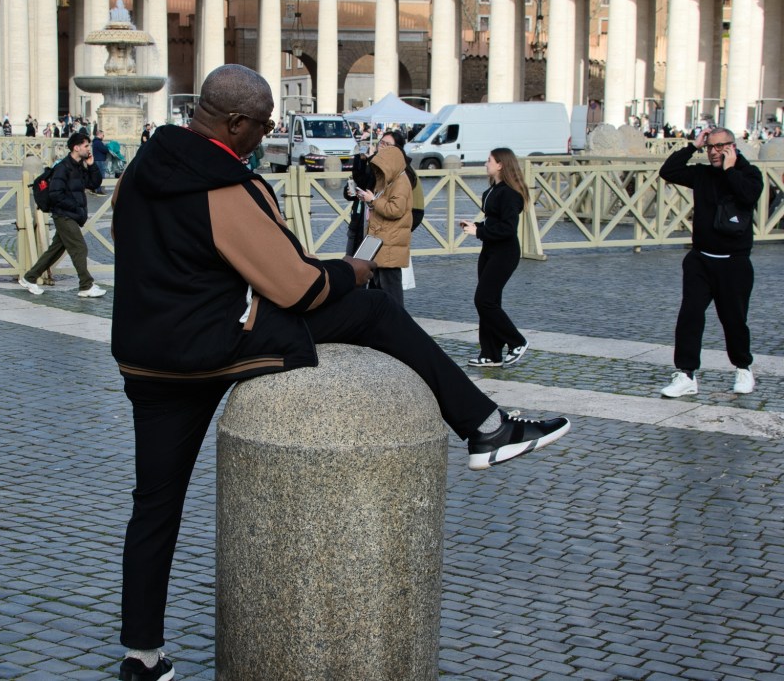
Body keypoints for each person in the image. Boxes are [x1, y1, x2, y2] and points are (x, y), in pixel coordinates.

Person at [109, 64, 570, 681]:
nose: (268, 133)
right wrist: (351, 271)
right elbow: (297, 287)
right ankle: (485, 427)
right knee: (372, 309)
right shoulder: (225, 186)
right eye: (264, 124)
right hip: (215, 343)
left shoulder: (139, 169)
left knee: (154, 507)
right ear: (237, 123)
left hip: (146, 357)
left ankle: (141, 657)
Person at [658, 126, 764, 397]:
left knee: (734, 319)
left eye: (720, 146)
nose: (714, 152)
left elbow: (748, 196)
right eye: (709, 147)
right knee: (690, 315)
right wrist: (692, 146)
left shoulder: (750, 174)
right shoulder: (702, 174)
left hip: (734, 262)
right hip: (700, 260)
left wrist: (730, 170)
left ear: (732, 146)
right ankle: (686, 374)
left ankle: (743, 368)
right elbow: (668, 171)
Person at [461, 148, 531, 368]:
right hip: (489, 250)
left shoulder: (510, 193)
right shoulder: (494, 190)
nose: (486, 164)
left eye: (489, 160)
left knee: (484, 300)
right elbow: (493, 221)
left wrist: (479, 232)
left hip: (504, 253)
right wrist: (476, 226)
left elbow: (508, 228)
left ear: (500, 164)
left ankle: (517, 342)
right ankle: (491, 354)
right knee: (489, 301)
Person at [19, 132, 106, 298]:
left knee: (55, 250)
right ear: (76, 148)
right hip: (64, 215)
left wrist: (91, 165)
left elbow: (94, 183)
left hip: (70, 214)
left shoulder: (79, 166)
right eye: (86, 146)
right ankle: (86, 285)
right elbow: (55, 194)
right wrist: (75, 207)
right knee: (79, 247)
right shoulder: (63, 168)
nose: (89, 149)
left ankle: (29, 278)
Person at [352, 140, 412, 306]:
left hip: (390, 242)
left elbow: (395, 210)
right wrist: (370, 200)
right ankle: (383, 318)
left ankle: (395, 320)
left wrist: (373, 201)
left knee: (390, 290)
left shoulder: (400, 182)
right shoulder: (389, 180)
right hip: (383, 241)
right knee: (379, 286)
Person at [91, 129, 110, 195]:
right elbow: (104, 150)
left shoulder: (95, 142)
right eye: (103, 135)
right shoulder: (98, 142)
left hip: (97, 160)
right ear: (100, 135)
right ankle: (99, 190)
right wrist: (107, 148)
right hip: (100, 160)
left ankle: (95, 189)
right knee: (101, 176)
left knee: (97, 175)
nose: (103, 136)